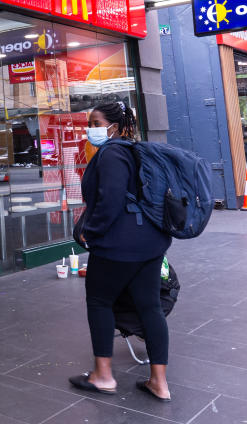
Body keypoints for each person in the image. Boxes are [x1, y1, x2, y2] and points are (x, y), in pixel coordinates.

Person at [70, 101, 173, 402]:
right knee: (150, 307)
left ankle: (103, 376)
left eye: (96, 122)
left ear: (113, 126)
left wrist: (92, 230)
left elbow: (111, 199)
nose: (91, 128)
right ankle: (159, 382)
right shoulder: (136, 150)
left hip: (119, 244)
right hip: (150, 241)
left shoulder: (112, 152)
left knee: (99, 301)